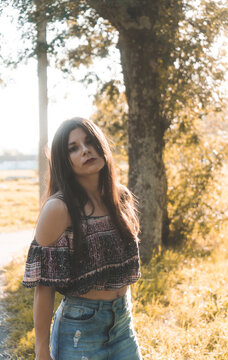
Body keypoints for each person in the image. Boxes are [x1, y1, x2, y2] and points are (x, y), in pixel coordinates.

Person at [22, 117, 142, 360]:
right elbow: (44, 289)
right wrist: (41, 351)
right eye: (73, 148)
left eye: (89, 142)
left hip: (122, 322)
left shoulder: (121, 198)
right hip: (79, 330)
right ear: (64, 161)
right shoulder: (59, 208)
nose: (85, 150)